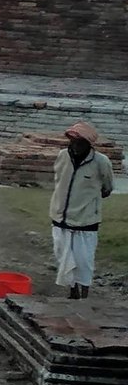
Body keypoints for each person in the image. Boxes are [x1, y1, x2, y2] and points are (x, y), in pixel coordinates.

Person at [51, 122, 115, 299]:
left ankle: (85, 297)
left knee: (84, 262)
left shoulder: (101, 162)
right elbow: (58, 180)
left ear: (89, 144)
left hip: (85, 221)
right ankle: (73, 292)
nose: (76, 146)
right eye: (74, 142)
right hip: (60, 217)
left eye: (81, 143)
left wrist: (88, 198)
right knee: (63, 257)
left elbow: (107, 188)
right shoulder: (63, 156)